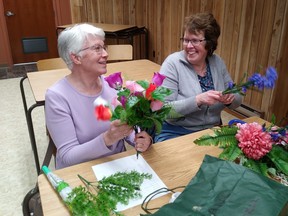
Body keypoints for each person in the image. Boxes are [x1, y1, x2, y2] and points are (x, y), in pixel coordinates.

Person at [45, 23, 152, 169]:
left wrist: (138, 139)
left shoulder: (111, 85)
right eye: (97, 48)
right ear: (76, 57)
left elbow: (122, 127)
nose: (106, 54)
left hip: (116, 165)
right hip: (80, 172)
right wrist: (108, 138)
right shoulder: (57, 97)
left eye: (104, 47)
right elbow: (68, 156)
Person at [155, 12, 242, 142]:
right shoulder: (172, 64)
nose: (189, 46)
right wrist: (197, 100)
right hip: (176, 132)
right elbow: (163, 110)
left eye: (195, 40)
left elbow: (238, 98)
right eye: (186, 40)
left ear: (209, 43)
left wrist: (230, 98)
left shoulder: (217, 62)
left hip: (212, 131)